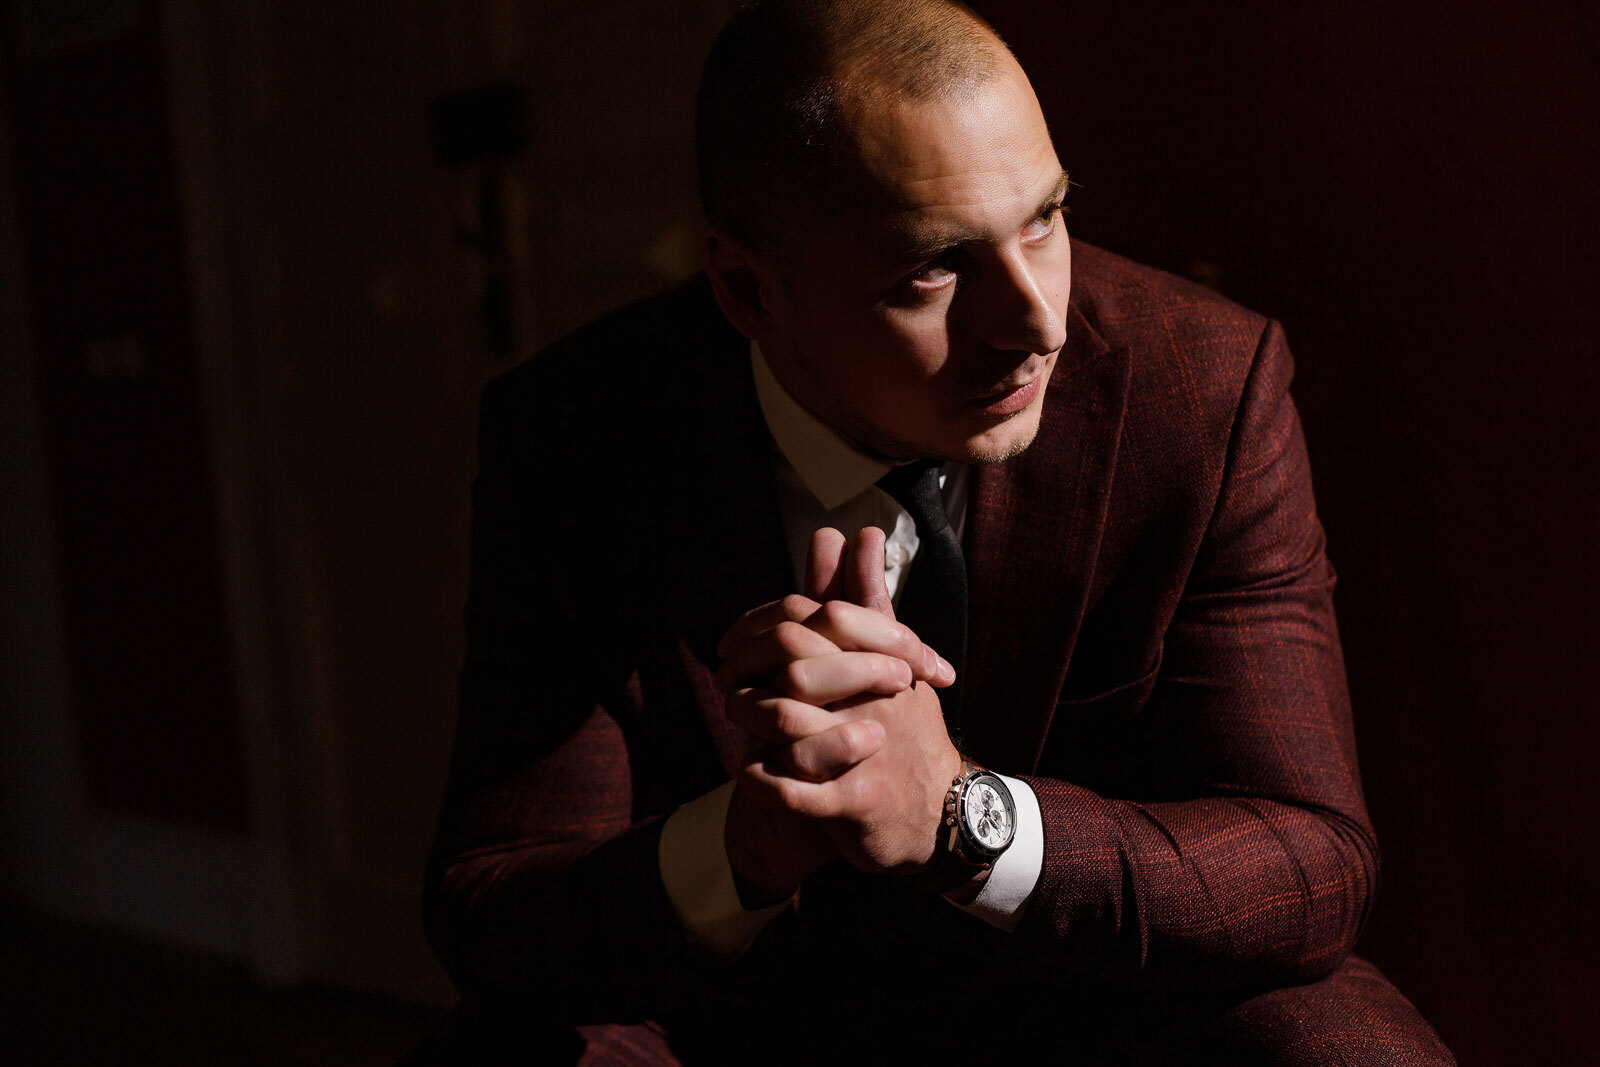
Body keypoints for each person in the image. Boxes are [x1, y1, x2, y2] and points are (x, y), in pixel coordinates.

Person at [416, 1, 1455, 1062]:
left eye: (1044, 218)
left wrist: (960, 817)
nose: (1038, 322)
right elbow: (492, 904)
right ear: (747, 289)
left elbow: (1312, 861)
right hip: (743, 1026)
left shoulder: (1199, 389)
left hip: (1107, 1004)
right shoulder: (580, 433)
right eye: (934, 267)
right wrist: (745, 844)